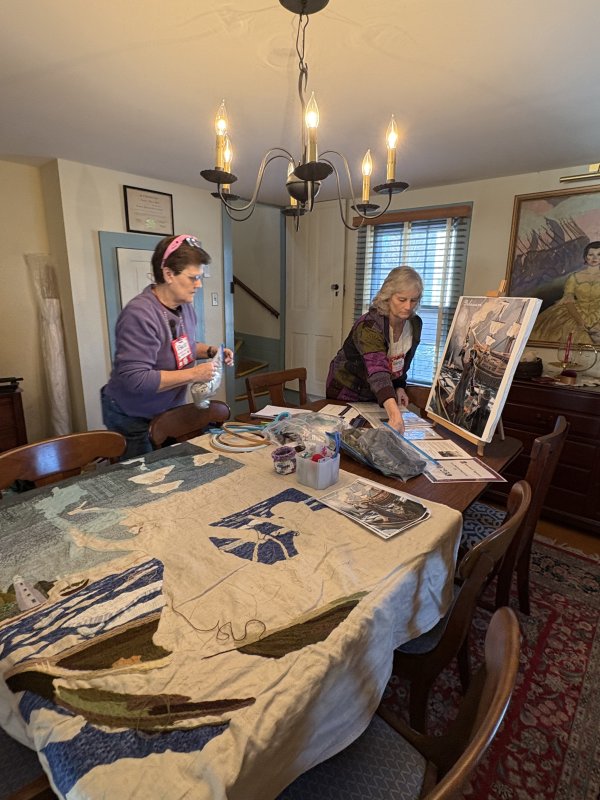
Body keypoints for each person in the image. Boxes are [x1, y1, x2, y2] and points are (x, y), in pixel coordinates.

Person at [101, 234, 234, 459]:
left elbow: (182, 346)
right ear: (168, 274)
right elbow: (135, 379)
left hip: (167, 409)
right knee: (143, 475)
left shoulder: (184, 307)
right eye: (193, 278)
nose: (199, 284)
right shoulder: (139, 314)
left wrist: (210, 351)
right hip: (133, 415)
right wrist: (195, 374)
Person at [325, 266, 423, 434]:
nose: (408, 306)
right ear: (388, 296)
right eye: (402, 299)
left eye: (413, 300)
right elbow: (378, 371)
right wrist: (394, 414)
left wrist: (399, 386)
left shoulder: (415, 324)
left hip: (376, 395)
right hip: (347, 392)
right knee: (348, 437)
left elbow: (402, 362)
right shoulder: (369, 325)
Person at [530, 240, 600, 346]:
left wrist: (595, 319)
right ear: (586, 257)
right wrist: (580, 321)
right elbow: (568, 299)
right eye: (591, 254)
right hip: (576, 312)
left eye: (599, 255)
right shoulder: (574, 277)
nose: (594, 258)